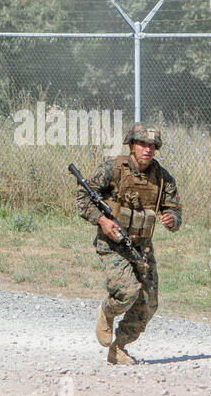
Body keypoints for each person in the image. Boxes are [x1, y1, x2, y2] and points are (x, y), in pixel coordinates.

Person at [74, 123, 182, 364]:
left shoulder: (163, 178)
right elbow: (83, 197)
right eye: (143, 144)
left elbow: (175, 210)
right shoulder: (113, 169)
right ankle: (106, 310)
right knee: (127, 291)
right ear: (132, 145)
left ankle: (119, 347)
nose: (148, 149)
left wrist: (171, 219)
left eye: (152, 146)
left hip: (141, 247)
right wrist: (101, 220)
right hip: (112, 244)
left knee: (149, 303)